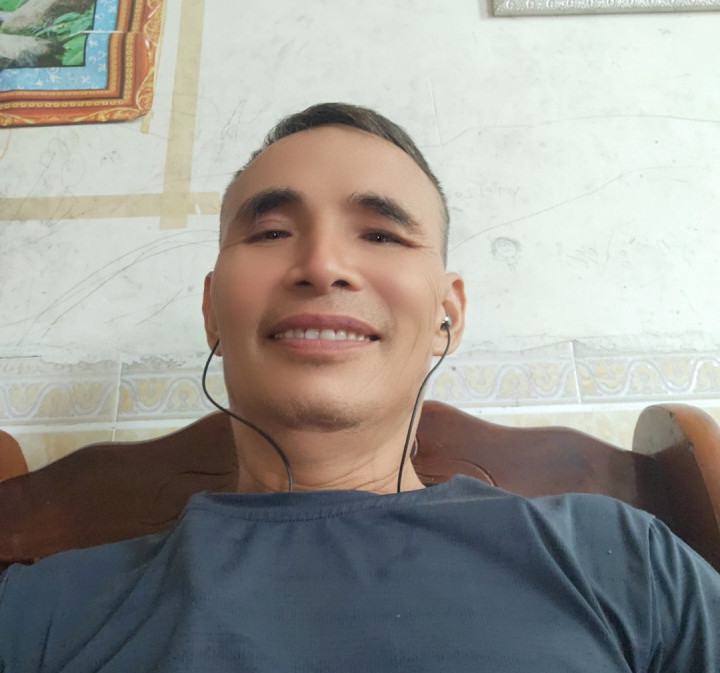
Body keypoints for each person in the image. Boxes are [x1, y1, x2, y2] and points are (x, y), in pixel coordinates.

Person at [1, 103, 719, 672]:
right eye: (271, 232)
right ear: (213, 310)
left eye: (380, 235)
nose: (322, 265)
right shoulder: (42, 611)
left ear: (447, 315)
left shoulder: (622, 561)